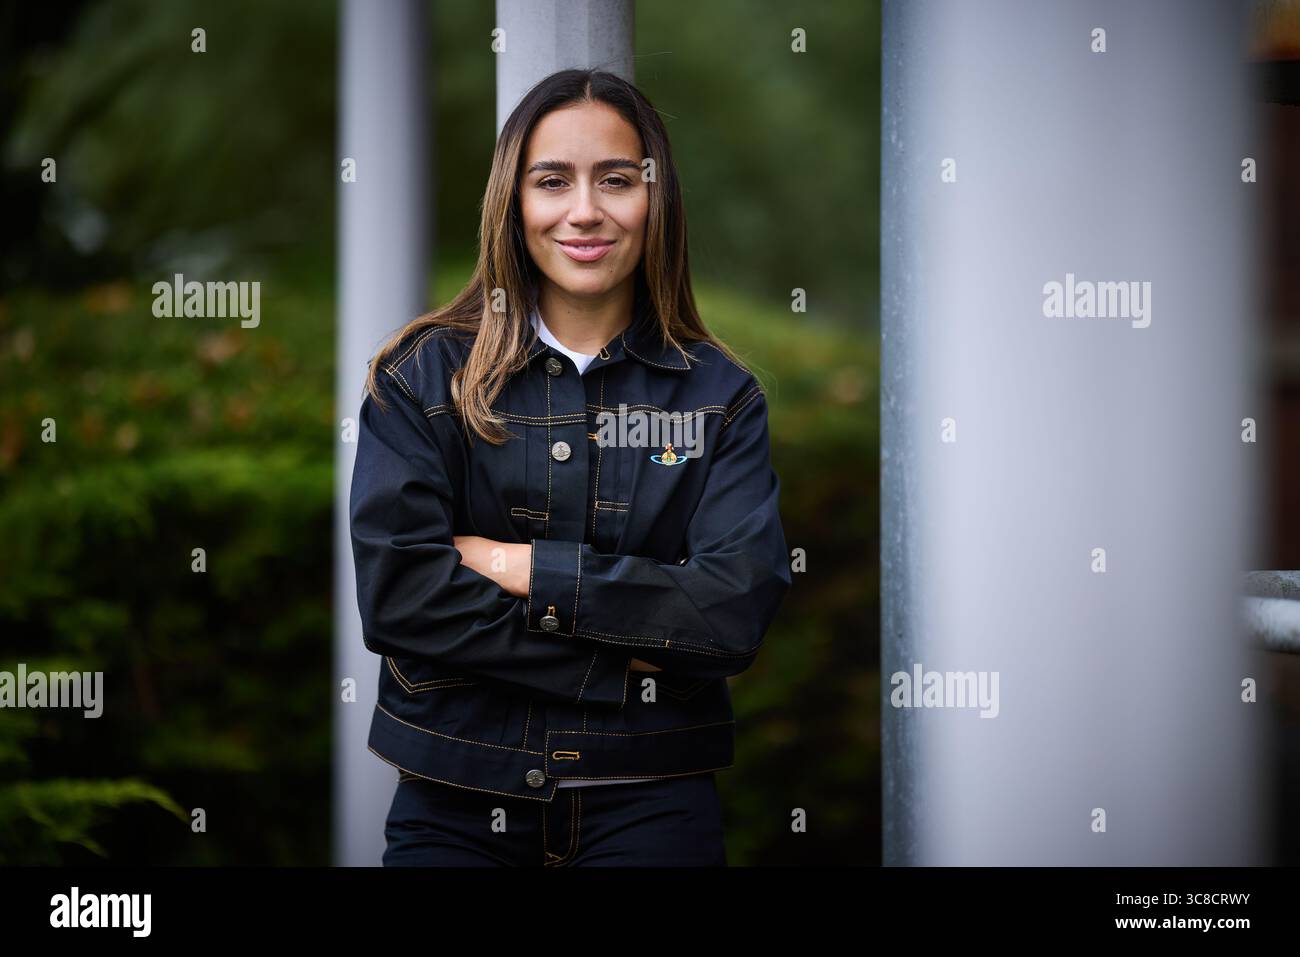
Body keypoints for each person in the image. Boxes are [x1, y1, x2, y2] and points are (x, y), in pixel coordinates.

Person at [348, 67, 791, 866]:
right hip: (455, 801)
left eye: (616, 180)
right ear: (512, 204)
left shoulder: (721, 398)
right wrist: (630, 653)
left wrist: (520, 567)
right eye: (552, 181)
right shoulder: (420, 376)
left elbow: (729, 614)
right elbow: (403, 598)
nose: (585, 210)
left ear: (656, 200)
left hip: (652, 803)